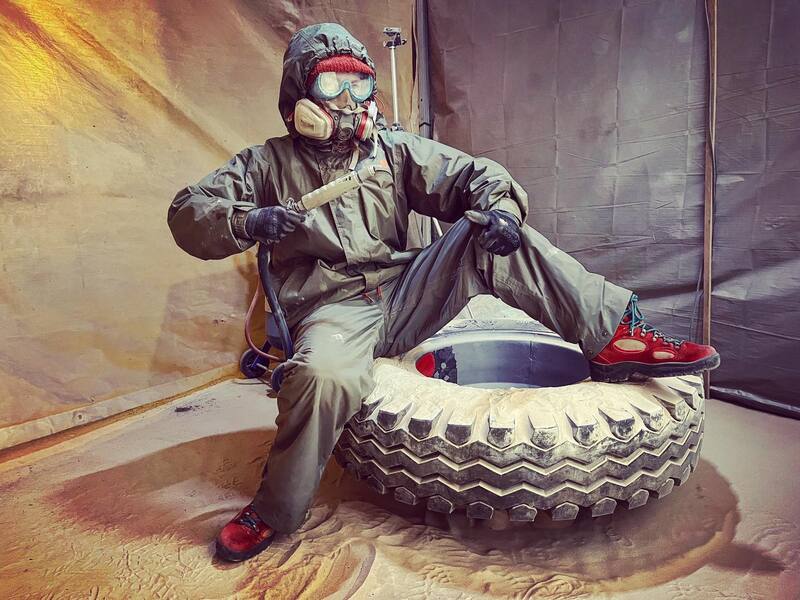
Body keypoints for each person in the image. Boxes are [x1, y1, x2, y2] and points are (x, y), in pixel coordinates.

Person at [168, 23, 720, 562]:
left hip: (407, 292)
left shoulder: (392, 152)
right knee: (324, 376)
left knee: (495, 236)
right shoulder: (264, 165)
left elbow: (473, 175)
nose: (349, 101)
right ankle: (274, 510)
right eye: (331, 87)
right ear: (299, 98)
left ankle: (615, 338)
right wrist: (246, 220)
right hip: (333, 311)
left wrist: (501, 209)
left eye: (359, 84)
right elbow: (188, 212)